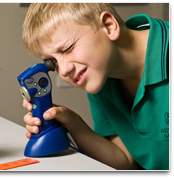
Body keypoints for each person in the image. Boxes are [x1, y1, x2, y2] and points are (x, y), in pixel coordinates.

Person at [21, 3, 169, 170]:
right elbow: (126, 162)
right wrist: (71, 122)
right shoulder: (101, 76)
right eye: (53, 62)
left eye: (67, 49)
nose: (63, 70)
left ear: (109, 26)